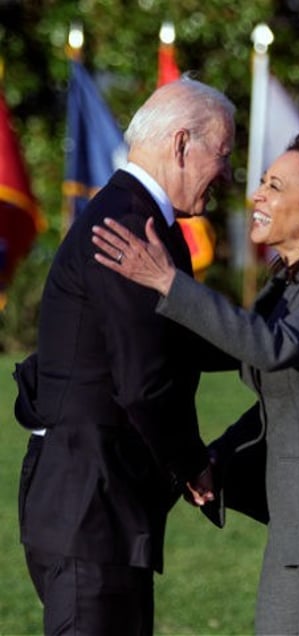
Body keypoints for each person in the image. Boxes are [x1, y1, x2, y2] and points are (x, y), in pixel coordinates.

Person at [91, 123, 299, 635]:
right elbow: (280, 398)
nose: (257, 195)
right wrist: (213, 458)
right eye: (263, 181)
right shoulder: (287, 282)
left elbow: (271, 347)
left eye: (275, 187)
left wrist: (168, 282)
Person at [16, 77, 237, 635]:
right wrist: (193, 464)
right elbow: (145, 378)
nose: (230, 174)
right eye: (225, 154)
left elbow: (174, 340)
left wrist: (270, 343)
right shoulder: (125, 226)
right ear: (182, 144)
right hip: (88, 513)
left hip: (100, 513)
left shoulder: (137, 216)